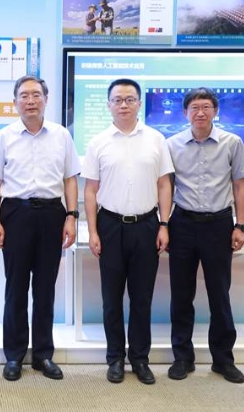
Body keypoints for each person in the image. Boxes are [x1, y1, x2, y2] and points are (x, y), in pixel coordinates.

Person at [0, 75, 80, 382]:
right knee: (15, 288)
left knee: (45, 288)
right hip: (16, 214)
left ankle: (43, 355)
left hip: (52, 213)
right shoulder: (4, 136)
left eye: (36, 95)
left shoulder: (61, 135)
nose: (30, 100)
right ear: (15, 102)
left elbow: (70, 179)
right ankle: (14, 356)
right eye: (24, 95)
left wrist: (71, 216)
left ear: (46, 100)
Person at [82, 78, 173, 385]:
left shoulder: (156, 139)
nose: (124, 105)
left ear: (139, 103)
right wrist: (93, 231)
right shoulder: (98, 142)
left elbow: (164, 185)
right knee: (111, 298)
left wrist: (164, 224)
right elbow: (90, 190)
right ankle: (115, 359)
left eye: (130, 99)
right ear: (108, 105)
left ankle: (140, 359)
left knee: (142, 297)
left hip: (147, 225)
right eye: (118, 100)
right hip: (109, 225)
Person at [166, 87, 244, 384]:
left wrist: (240, 225)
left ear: (215, 111)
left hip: (218, 225)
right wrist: (163, 224)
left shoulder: (232, 142)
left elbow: (239, 186)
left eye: (206, 107)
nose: (200, 112)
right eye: (194, 107)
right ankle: (182, 358)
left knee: (219, 294)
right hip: (182, 224)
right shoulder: (172, 144)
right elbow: (166, 186)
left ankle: (223, 360)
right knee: (181, 295)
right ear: (185, 113)